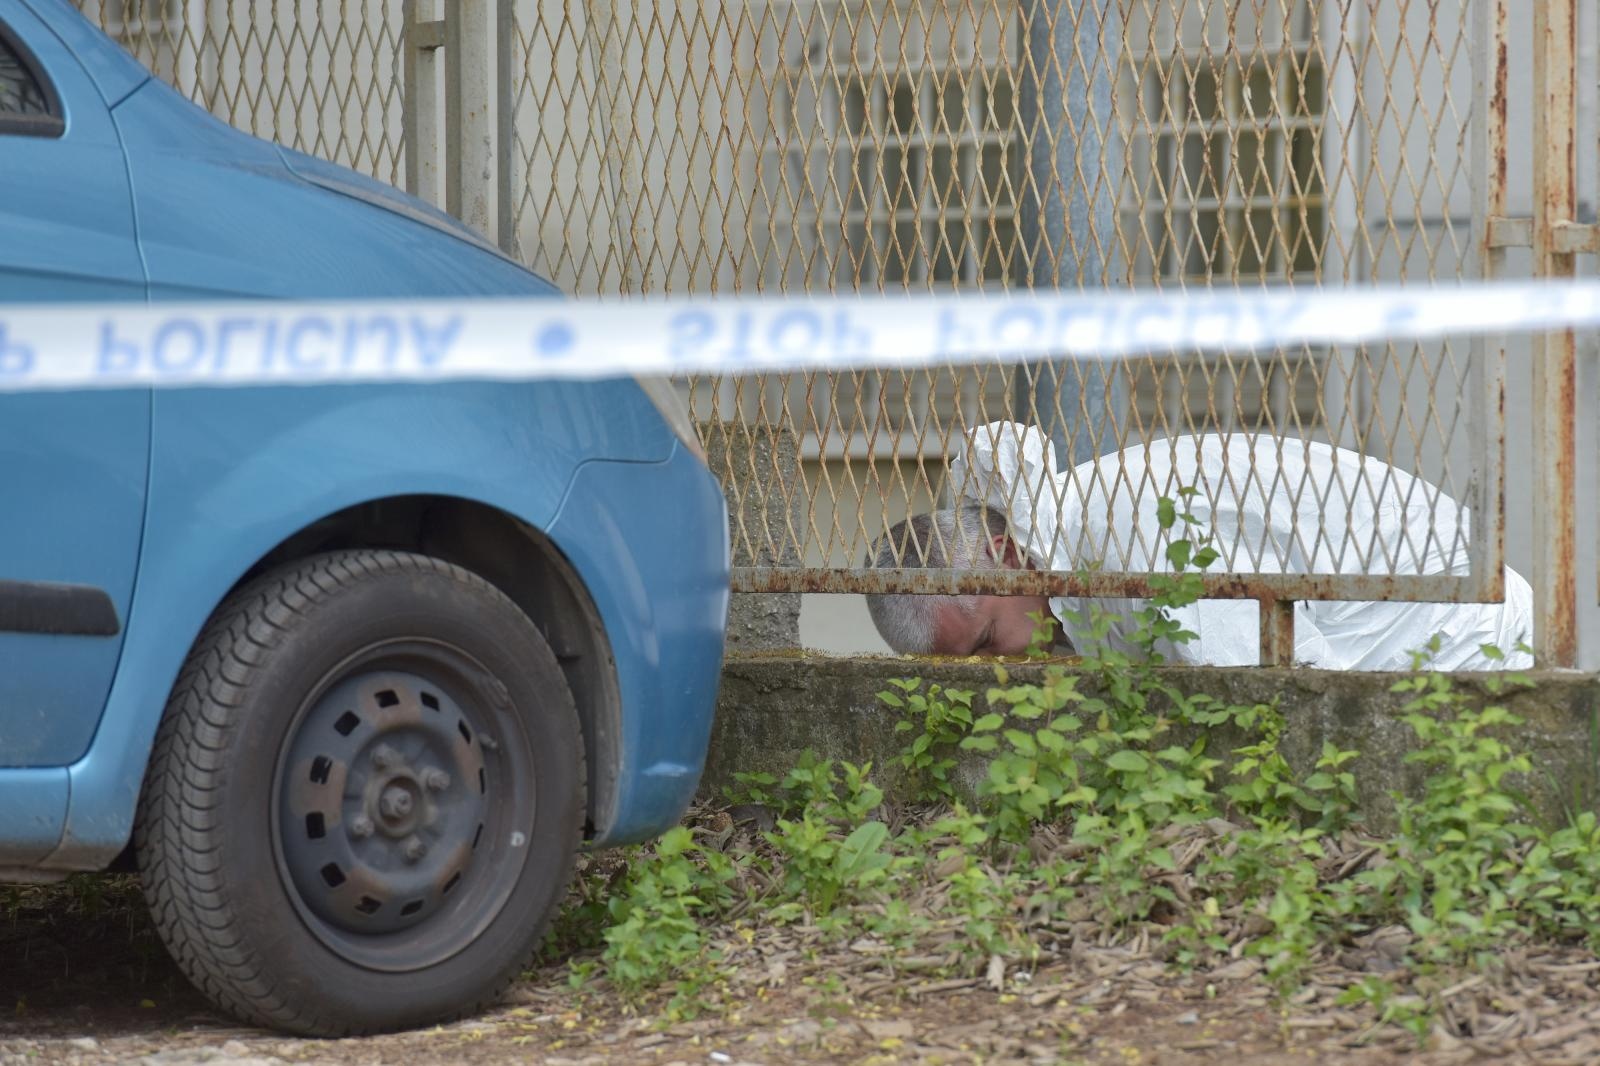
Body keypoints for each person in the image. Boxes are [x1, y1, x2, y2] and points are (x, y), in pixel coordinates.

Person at [865, 421, 1533, 670]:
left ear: (1007, 555)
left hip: (1453, 623)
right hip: (1402, 620)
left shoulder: (1123, 540)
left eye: (985, 644)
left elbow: (1283, 694)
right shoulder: (1075, 548)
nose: (999, 671)